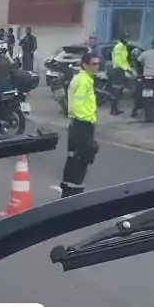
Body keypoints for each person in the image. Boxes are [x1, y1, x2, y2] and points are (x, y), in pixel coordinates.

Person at [59, 51, 100, 198]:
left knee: (74, 157)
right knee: (82, 157)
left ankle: (67, 190)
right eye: (93, 64)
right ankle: (74, 192)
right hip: (82, 124)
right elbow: (78, 105)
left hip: (78, 124)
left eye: (98, 64)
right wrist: (88, 121)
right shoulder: (84, 81)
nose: (97, 67)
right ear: (85, 65)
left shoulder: (83, 78)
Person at [110, 34, 132, 115]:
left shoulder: (123, 46)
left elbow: (124, 60)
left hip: (120, 70)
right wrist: (126, 68)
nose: (128, 40)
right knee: (116, 90)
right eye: (126, 38)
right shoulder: (118, 47)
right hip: (117, 70)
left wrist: (129, 69)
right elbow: (118, 61)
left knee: (119, 91)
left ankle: (116, 109)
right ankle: (113, 110)